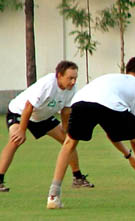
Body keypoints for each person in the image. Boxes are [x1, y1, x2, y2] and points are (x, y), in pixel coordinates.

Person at [46, 57, 135, 209]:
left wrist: (129, 156)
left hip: (80, 101)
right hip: (107, 103)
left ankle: (53, 197)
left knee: (69, 143)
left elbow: (111, 132)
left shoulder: (115, 80)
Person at [0, 61, 94, 192]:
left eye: (75, 78)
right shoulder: (48, 84)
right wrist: (22, 130)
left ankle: (78, 178)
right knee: (16, 140)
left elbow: (66, 111)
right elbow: (29, 106)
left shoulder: (71, 89)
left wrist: (67, 130)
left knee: (68, 141)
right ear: (59, 75)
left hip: (42, 116)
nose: (73, 82)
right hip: (20, 112)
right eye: (70, 78)